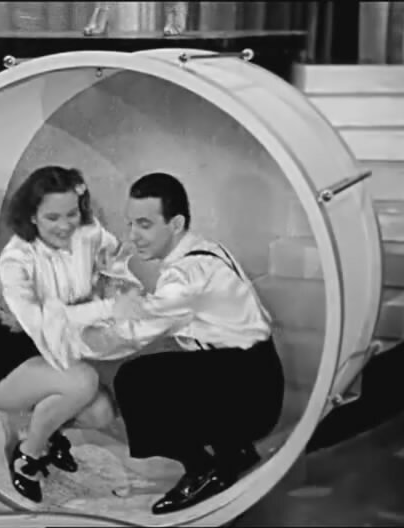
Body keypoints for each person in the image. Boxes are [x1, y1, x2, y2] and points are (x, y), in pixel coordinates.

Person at [80, 172, 285, 515]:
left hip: (253, 395)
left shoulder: (187, 275)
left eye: (145, 224)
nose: (133, 235)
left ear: (175, 224)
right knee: (178, 365)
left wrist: (70, 338)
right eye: (130, 223)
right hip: (256, 373)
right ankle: (234, 451)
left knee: (136, 379)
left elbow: (129, 335)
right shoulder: (204, 248)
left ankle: (202, 470)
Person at [0, 165, 138, 504]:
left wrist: (117, 282)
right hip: (5, 362)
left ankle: (45, 435)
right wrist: (107, 308)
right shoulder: (16, 258)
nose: (65, 225)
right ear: (32, 216)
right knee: (83, 381)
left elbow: (114, 256)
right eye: (52, 217)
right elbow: (42, 322)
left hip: (53, 354)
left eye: (71, 214)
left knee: (101, 412)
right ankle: (27, 457)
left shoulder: (88, 232)